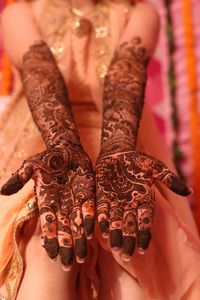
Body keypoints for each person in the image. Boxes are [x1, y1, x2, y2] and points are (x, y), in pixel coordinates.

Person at [0, 0, 200, 299]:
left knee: (128, 259)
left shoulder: (139, 13)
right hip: (45, 145)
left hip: (123, 151)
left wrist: (118, 151)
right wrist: (63, 148)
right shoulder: (22, 12)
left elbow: (125, 73)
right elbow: (39, 72)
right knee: (46, 253)